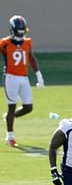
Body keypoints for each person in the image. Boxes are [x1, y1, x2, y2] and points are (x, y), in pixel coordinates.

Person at [1, 15, 44, 147]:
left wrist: (39, 75)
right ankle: (10, 137)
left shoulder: (27, 42)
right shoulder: (5, 43)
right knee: (12, 107)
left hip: (24, 78)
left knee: (28, 107)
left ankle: (8, 117)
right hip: (11, 78)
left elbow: (31, 57)